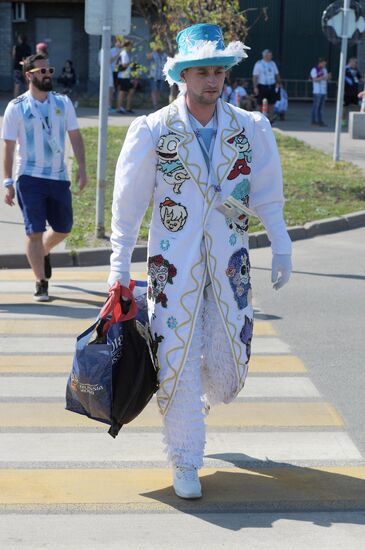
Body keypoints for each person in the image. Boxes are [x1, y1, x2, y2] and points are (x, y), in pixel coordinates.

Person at [108, 23, 292, 500]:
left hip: (230, 266)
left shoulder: (250, 128)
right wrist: (118, 269)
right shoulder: (153, 129)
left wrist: (282, 242)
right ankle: (186, 457)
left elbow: (267, 195)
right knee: (176, 360)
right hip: (173, 270)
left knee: (231, 366)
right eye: (201, 72)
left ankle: (199, 400)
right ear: (183, 75)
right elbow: (128, 207)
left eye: (218, 71)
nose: (212, 81)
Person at [1, 53, 87, 302]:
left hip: (59, 177)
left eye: (49, 70)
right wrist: (7, 182)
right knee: (34, 232)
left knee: (64, 228)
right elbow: (7, 146)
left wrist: (82, 167)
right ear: (29, 75)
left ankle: (44, 252)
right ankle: (41, 282)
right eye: (41, 71)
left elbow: (75, 135)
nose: (47, 74)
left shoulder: (63, 103)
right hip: (29, 177)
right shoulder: (16, 107)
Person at [252, 49, 281, 122]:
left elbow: (277, 74)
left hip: (271, 86)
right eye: (269, 55)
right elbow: (255, 76)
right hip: (262, 86)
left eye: (271, 55)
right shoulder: (258, 64)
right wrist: (255, 87)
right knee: (260, 104)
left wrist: (279, 83)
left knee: (271, 104)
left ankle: (270, 120)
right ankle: (258, 119)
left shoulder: (273, 63)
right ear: (265, 56)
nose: (271, 57)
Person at [310, 57, 331, 127]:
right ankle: (314, 122)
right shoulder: (314, 69)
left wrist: (328, 77)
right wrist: (324, 77)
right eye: (324, 63)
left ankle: (320, 121)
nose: (324, 65)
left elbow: (326, 79)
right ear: (320, 63)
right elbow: (314, 79)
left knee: (321, 108)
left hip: (323, 91)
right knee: (316, 107)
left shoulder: (324, 70)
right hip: (317, 91)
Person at [116, 40, 135, 114]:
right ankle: (119, 108)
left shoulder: (126, 53)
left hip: (127, 76)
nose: (132, 47)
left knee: (131, 91)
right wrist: (131, 64)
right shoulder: (124, 54)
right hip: (123, 76)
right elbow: (124, 65)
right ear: (126, 46)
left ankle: (128, 107)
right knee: (122, 92)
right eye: (130, 45)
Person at [343, 57, 363, 125]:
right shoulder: (345, 69)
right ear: (351, 62)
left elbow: (360, 78)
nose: (356, 64)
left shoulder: (356, 70)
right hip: (346, 92)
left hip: (354, 92)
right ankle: (343, 121)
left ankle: (357, 121)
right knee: (345, 107)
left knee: (357, 106)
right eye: (355, 62)